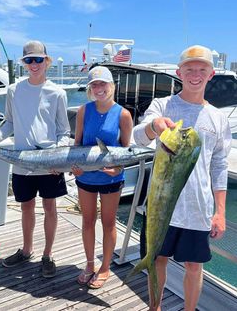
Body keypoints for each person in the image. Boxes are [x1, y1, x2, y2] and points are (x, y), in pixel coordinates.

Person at [133, 45, 232, 310]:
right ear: (179, 73)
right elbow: (139, 135)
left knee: (194, 265)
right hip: (160, 208)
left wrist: (220, 212)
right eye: (189, 69)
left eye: (202, 69)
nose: (195, 74)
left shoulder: (218, 118)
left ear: (211, 74)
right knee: (156, 260)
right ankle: (155, 307)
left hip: (198, 210)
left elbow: (220, 167)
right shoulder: (163, 105)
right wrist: (154, 126)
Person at [0, 40, 70, 278]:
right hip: (22, 161)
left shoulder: (58, 93)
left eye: (38, 60)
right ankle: (26, 249)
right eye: (29, 60)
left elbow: (64, 131)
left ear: (47, 61)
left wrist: (58, 158)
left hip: (50, 163)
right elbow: (9, 123)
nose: (34, 64)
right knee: (26, 207)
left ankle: (47, 254)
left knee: (50, 207)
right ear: (24, 63)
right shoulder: (14, 90)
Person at [71, 66, 133, 288]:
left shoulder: (123, 114)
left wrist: (118, 170)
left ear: (111, 86)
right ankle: (89, 264)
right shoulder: (83, 111)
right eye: (94, 85)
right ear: (90, 89)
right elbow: (77, 144)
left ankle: (105, 267)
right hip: (85, 178)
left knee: (108, 224)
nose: (99, 89)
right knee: (87, 221)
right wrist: (74, 166)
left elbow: (126, 152)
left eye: (102, 84)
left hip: (111, 180)